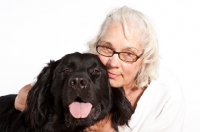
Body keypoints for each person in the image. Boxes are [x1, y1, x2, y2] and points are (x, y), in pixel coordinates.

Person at [14, 6, 186, 132]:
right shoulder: (92, 65)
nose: (113, 62)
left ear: (145, 59)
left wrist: (107, 129)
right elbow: (21, 99)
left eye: (128, 54)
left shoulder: (167, 96)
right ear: (96, 46)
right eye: (107, 48)